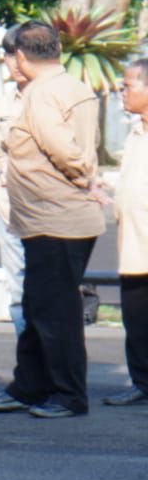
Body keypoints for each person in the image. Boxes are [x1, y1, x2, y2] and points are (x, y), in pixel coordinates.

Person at [0, 21, 105, 419]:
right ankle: (30, 386)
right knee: (38, 307)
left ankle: (68, 395)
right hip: (52, 219)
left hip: (56, 218)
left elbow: (65, 151)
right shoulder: (75, 87)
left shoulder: (41, 94)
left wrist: (83, 175)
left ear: (20, 55)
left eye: (9, 56)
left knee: (55, 314)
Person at [105, 58, 148, 407]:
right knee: (136, 322)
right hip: (133, 247)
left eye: (129, 85)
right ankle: (142, 382)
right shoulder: (136, 133)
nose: (122, 91)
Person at [0, 30, 28, 332]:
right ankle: (28, 369)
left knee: (49, 295)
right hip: (8, 209)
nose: (15, 63)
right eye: (8, 55)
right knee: (17, 294)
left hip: (46, 210)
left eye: (20, 54)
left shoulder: (56, 98)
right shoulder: (4, 103)